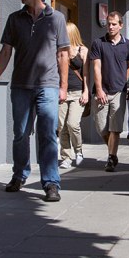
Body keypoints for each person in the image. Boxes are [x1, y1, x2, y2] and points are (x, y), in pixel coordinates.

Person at [0, 0, 70, 202]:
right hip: (21, 85)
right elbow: (5, 52)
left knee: (47, 133)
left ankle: (51, 182)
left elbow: (63, 54)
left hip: (48, 85)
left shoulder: (57, 19)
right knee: (20, 133)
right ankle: (20, 175)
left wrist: (63, 87)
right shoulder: (15, 19)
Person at [89, 11, 129, 172]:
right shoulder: (98, 43)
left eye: (114, 24)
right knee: (101, 127)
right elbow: (96, 67)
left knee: (115, 128)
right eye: (109, 23)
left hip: (119, 91)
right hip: (102, 91)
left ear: (121, 25)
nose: (111, 26)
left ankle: (111, 157)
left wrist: (124, 81)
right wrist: (99, 89)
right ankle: (112, 151)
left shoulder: (128, 45)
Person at [58, 22, 89, 169]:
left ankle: (79, 151)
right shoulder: (59, 50)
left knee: (72, 123)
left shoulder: (83, 50)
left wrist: (86, 91)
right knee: (62, 126)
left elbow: (86, 74)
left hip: (77, 92)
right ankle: (66, 157)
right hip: (62, 92)